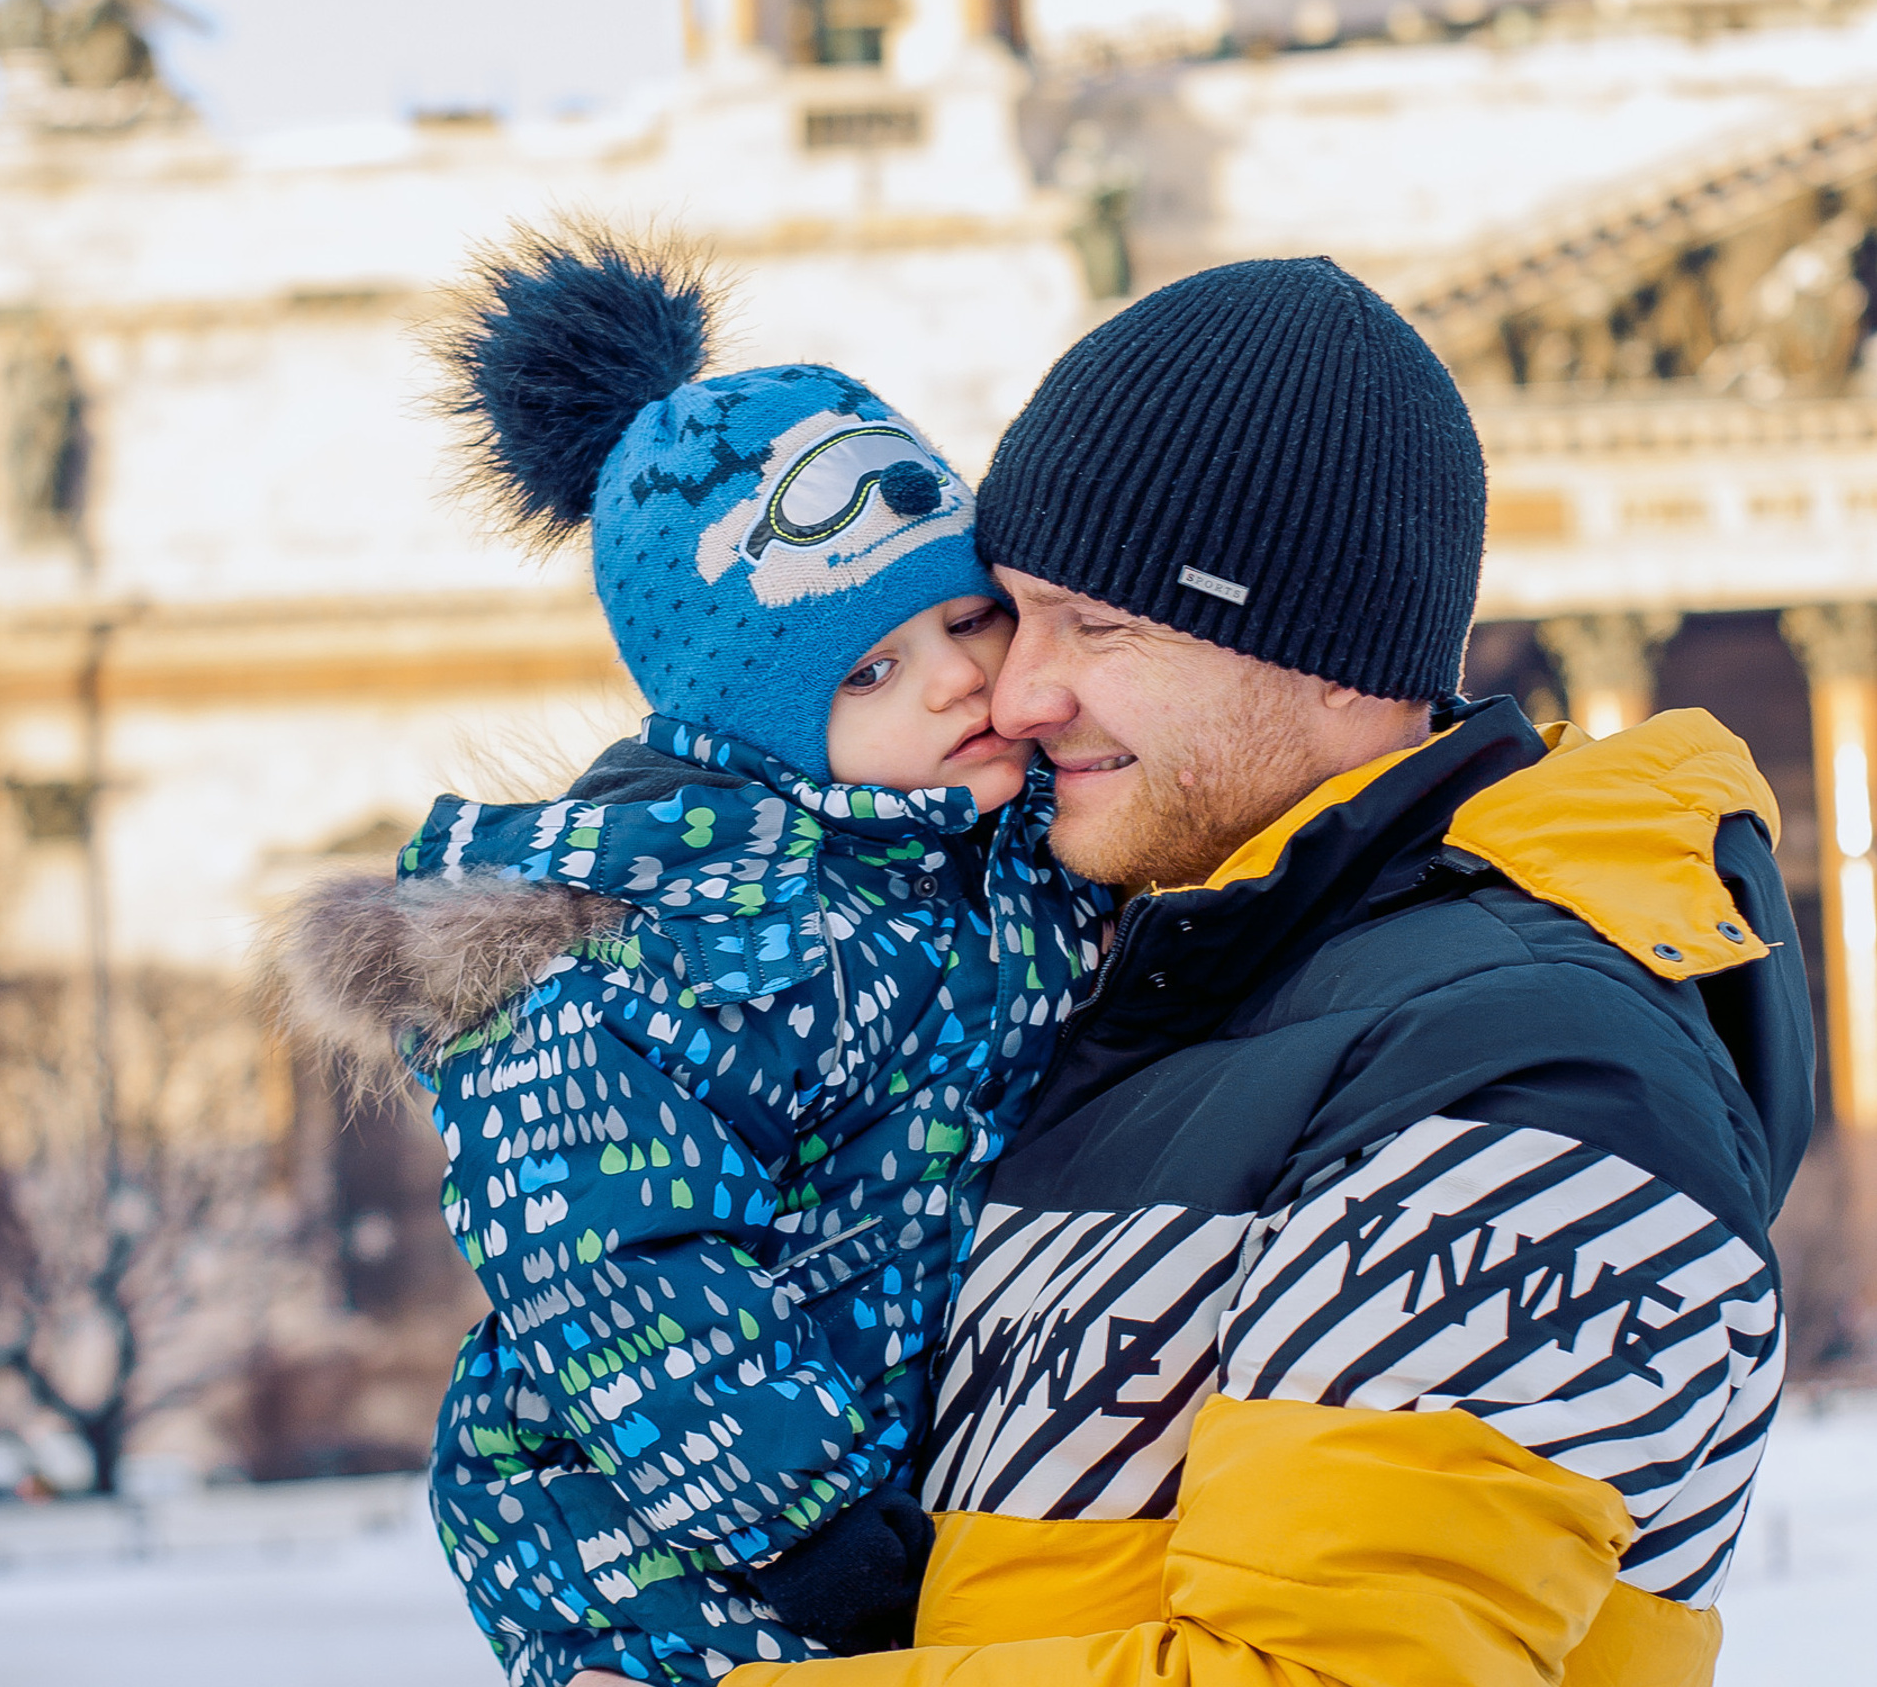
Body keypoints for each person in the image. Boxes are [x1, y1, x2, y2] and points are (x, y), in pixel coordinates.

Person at [589, 257, 1810, 1687]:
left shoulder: (1529, 1071)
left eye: (1098, 626)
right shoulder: (1164, 1001)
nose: (1018, 696)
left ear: (1337, 657)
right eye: (1012, 614)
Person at [272, 227, 1110, 1687]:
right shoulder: (650, 959)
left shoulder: (1001, 873)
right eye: (869, 669)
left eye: (969, 618)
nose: (962, 677)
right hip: (670, 1555)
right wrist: (816, 1539)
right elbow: (615, 1269)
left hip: (911, 1507)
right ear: (762, 730)